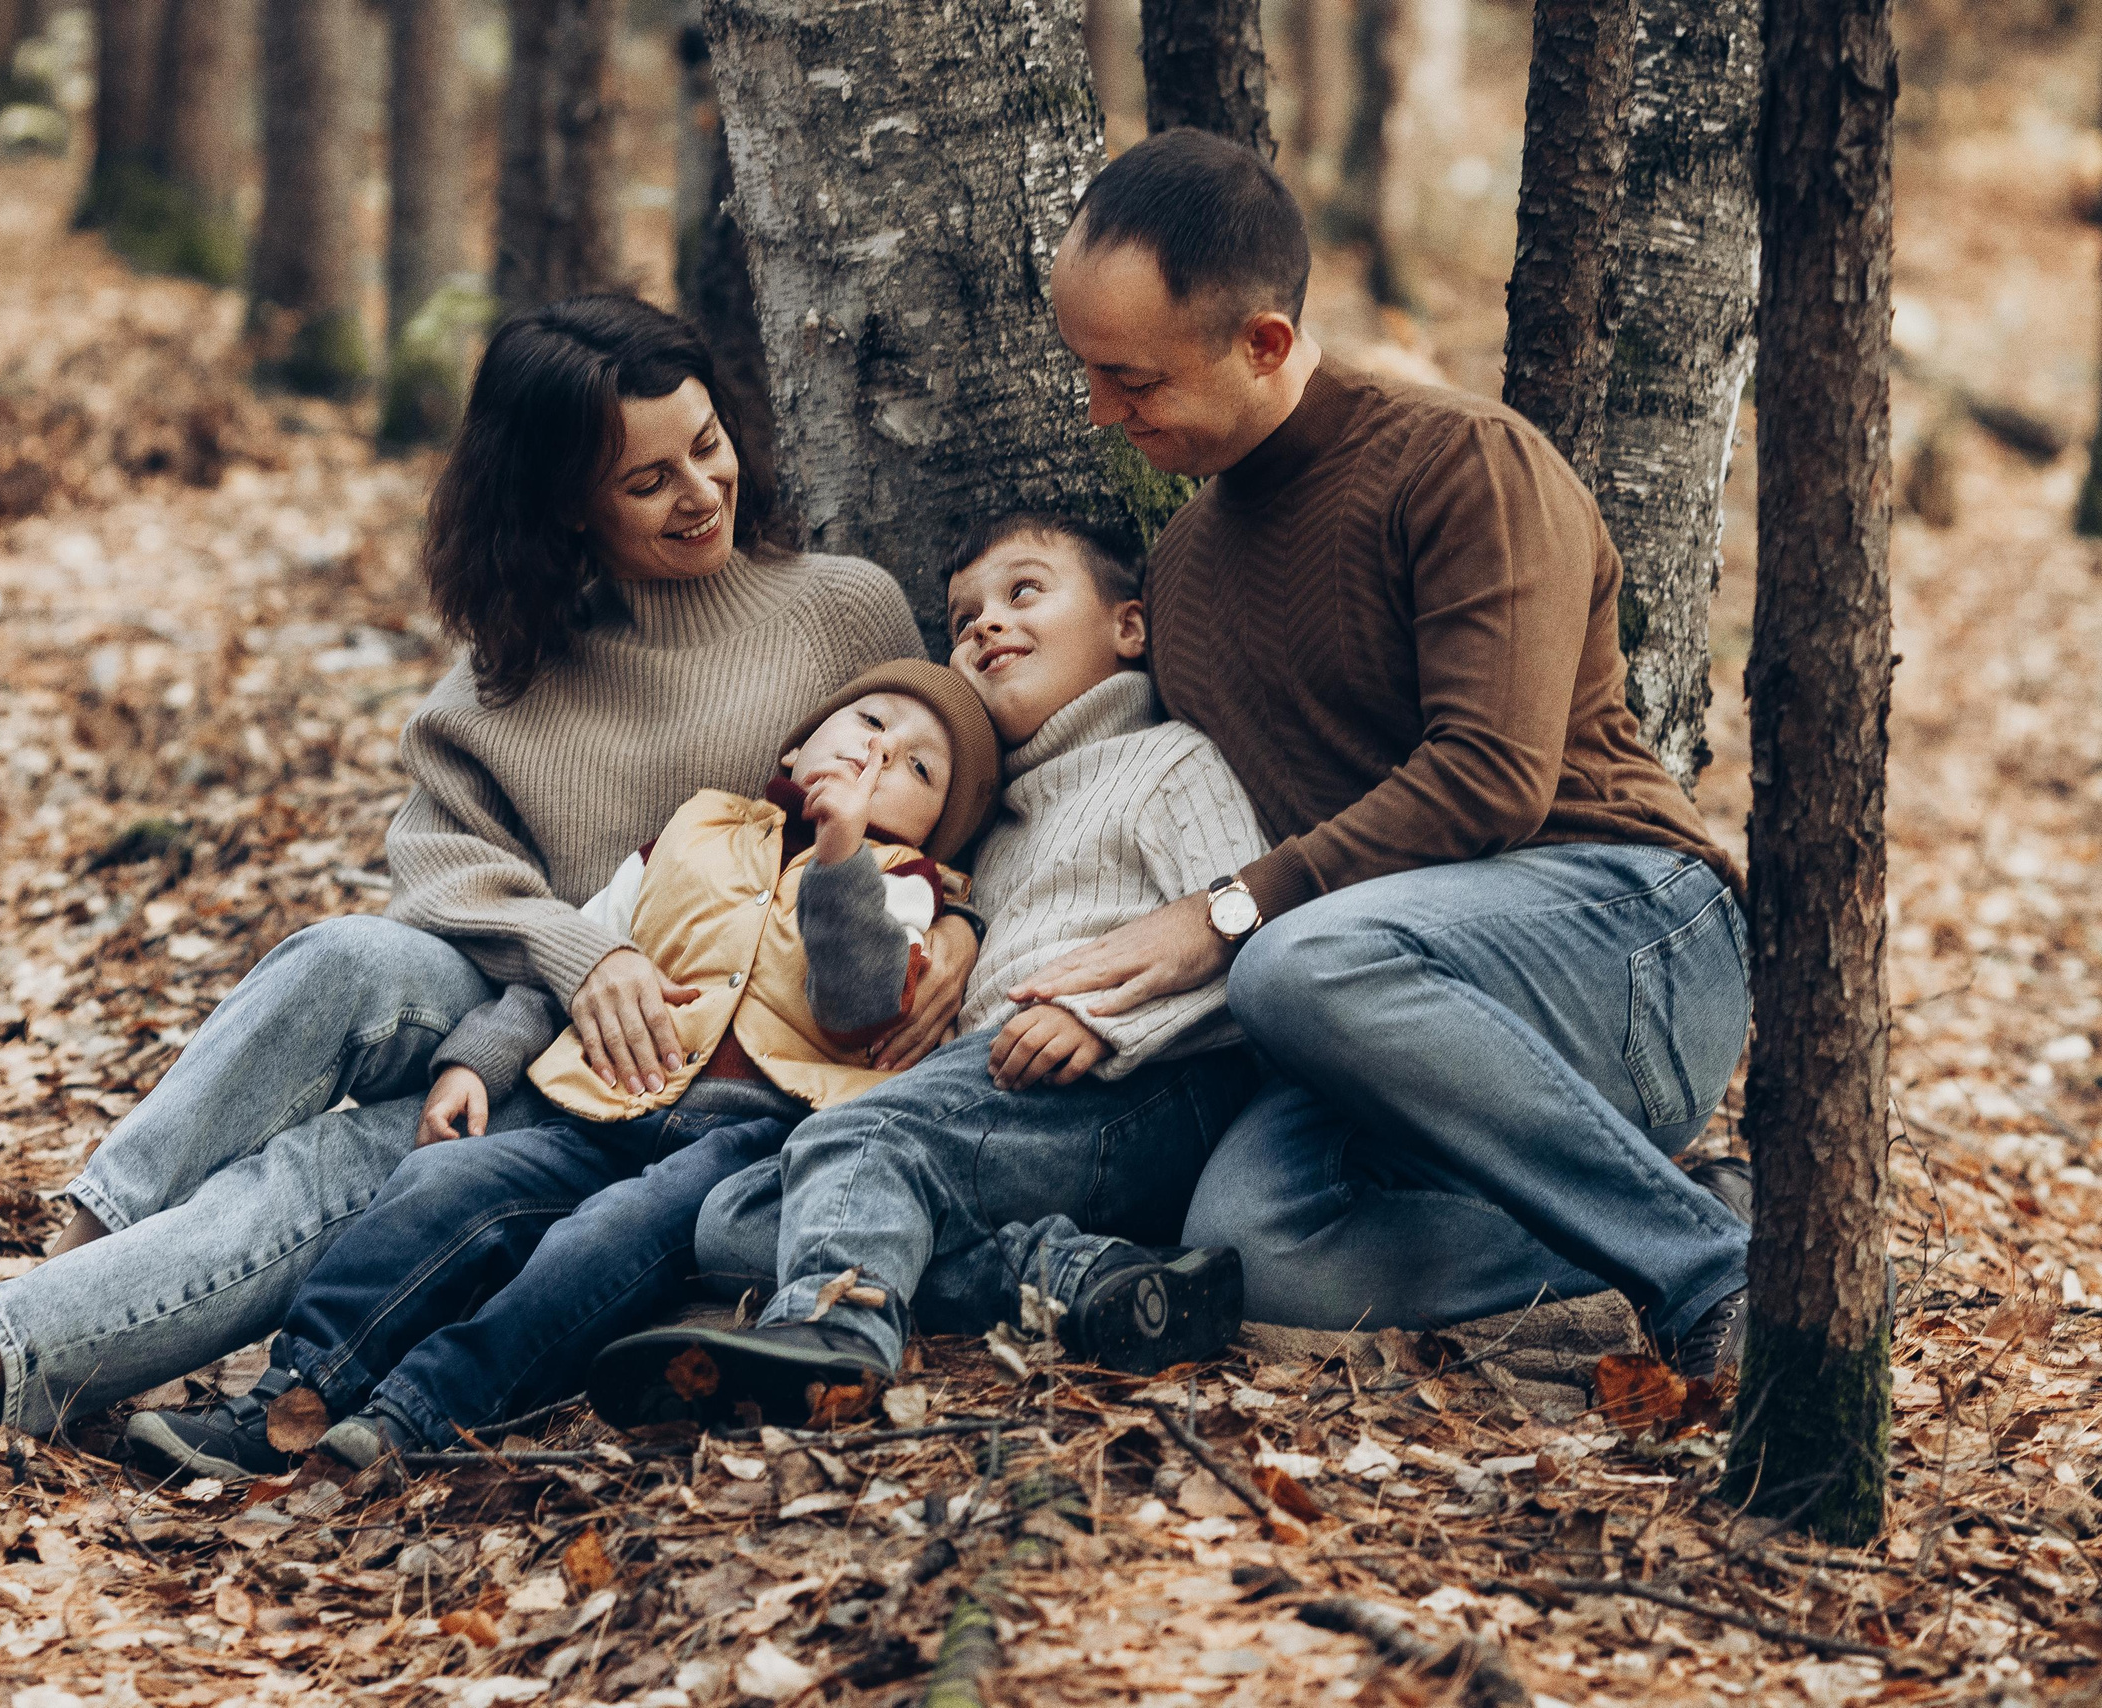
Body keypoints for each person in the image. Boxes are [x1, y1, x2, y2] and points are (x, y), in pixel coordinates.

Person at [0, 296, 978, 1443]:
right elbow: (436, 861)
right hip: (525, 1000)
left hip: (672, 1071)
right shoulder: (515, 662)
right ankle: (74, 1252)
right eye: (648, 479)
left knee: (325, 1171)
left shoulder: (842, 609)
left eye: (708, 444)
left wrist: (964, 940)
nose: (701, 491)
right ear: (562, 502)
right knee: (343, 957)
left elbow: (959, 794)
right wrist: (579, 953)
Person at [1010, 129, 1755, 1378]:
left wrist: (1226, 913)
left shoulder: (1462, 462)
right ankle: (1700, 1214)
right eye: (1086, 370)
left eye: (1129, 378)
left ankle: (1714, 1276)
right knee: (1255, 1251)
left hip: (1632, 945)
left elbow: (1491, 779)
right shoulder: (1180, 572)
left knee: (1292, 958)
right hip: (1379, 1015)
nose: (1098, 411)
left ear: (1263, 343)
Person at [121, 662, 1000, 1482]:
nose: (879, 755)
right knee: (439, 1184)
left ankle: (421, 1410)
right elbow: (577, 964)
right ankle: (292, 1397)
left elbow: (857, 1003)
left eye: (918, 769)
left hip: (747, 1141)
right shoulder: (696, 830)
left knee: (601, 1239)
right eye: (870, 722)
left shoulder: (905, 888)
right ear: (797, 746)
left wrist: (844, 854)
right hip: (601, 1108)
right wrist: (478, 1061)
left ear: (939, 827)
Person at [590, 512, 1268, 1429]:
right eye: (962, 618)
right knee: (738, 1217)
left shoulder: (1167, 761)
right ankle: (1084, 1279)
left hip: (1144, 1085)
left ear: (1129, 626)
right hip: (1006, 1102)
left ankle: (835, 1340)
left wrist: (1107, 1023)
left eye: (1023, 591)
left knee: (858, 1144)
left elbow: (1248, 945)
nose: (986, 623)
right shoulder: (991, 818)